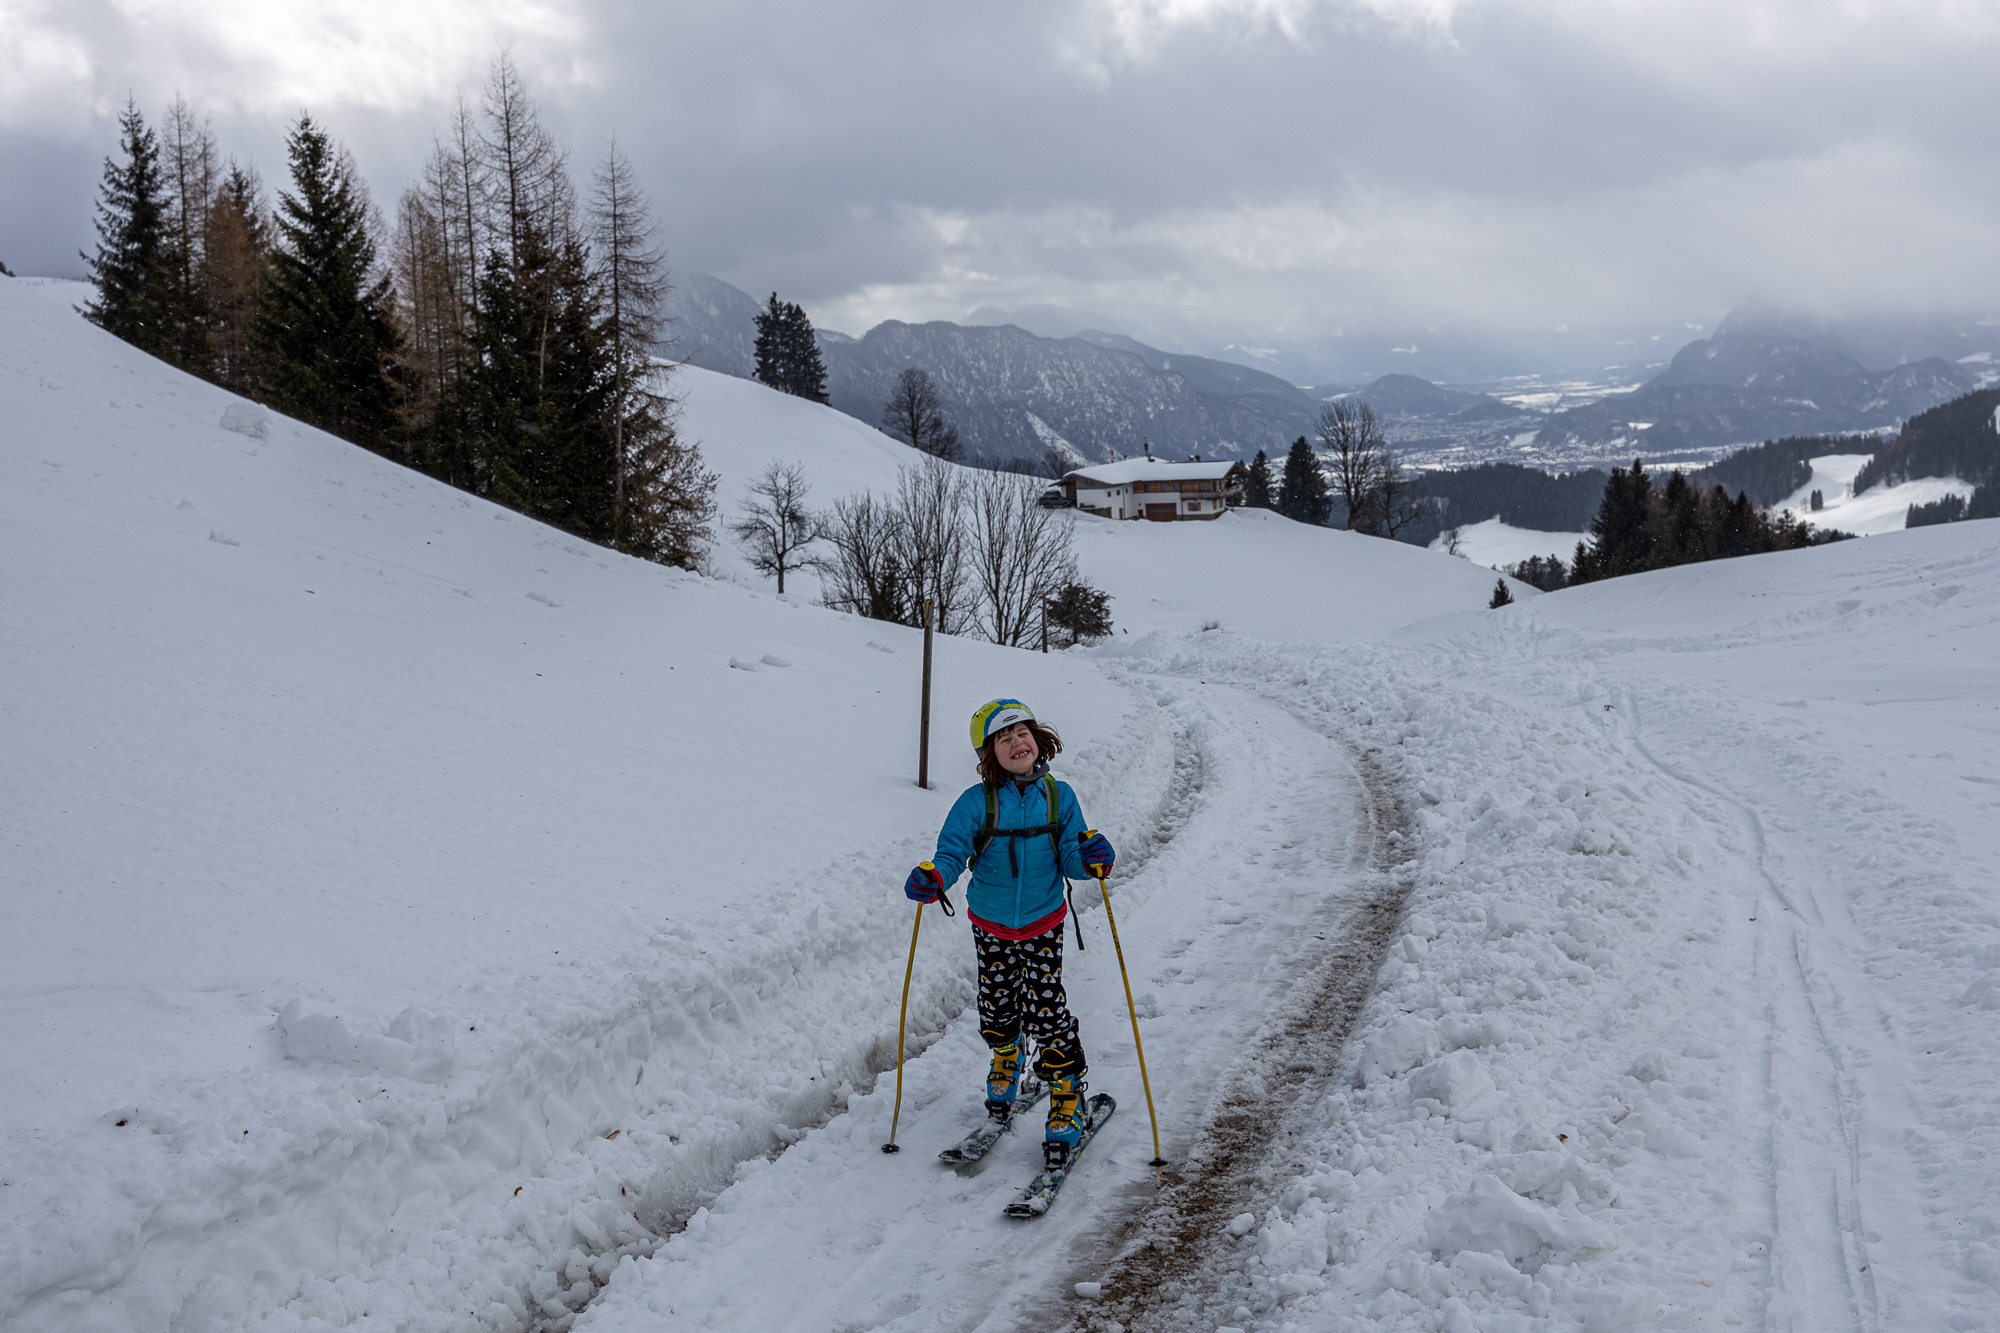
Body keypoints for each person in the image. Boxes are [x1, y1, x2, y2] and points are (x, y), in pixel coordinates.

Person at [905, 698, 1116, 1171]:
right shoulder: (974, 803)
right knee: (997, 1003)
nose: (1016, 742)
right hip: (992, 924)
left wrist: (1094, 859)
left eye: (1022, 732)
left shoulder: (1059, 798)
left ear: (1037, 739)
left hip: (1043, 922)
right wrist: (934, 878)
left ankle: (1066, 1093)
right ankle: (1007, 1055)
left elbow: (1073, 857)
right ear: (989, 754)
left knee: (1046, 1007)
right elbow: (951, 853)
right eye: (1004, 738)